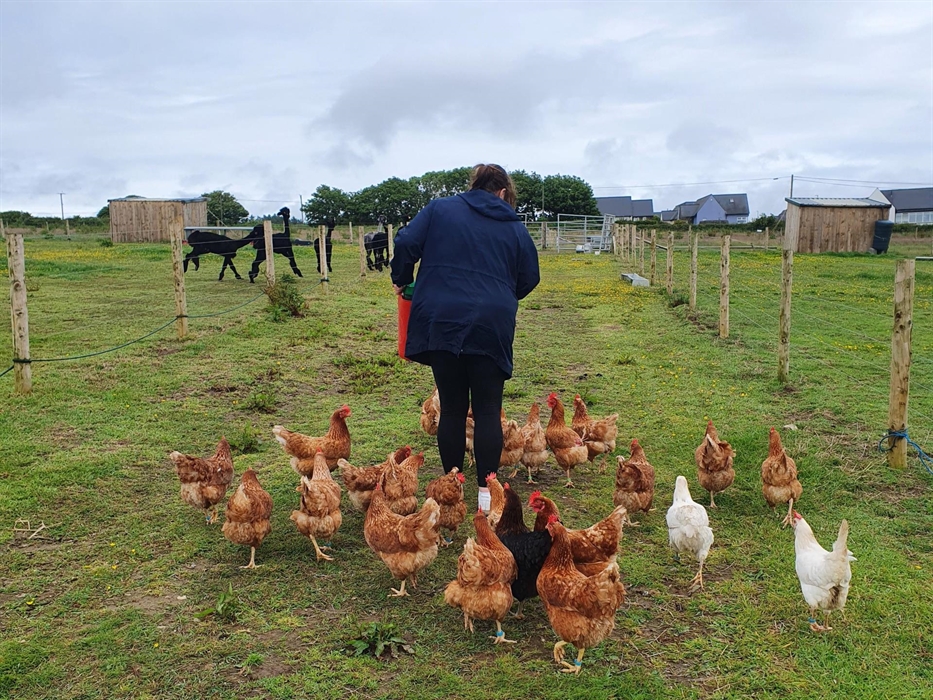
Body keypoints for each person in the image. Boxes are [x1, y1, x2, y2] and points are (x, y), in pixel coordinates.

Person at [390, 164, 540, 512]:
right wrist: (501, 294)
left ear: (473, 186)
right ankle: (486, 497)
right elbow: (529, 277)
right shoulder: (514, 226)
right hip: (491, 322)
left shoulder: (440, 209)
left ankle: (450, 486)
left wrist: (401, 275)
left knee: (453, 409)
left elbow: (407, 241)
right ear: (502, 192)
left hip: (441, 319)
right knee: (488, 409)